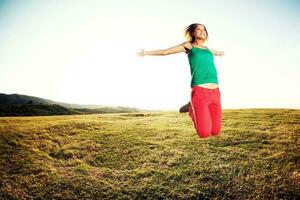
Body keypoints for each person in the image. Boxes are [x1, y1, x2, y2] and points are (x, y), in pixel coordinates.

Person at [136, 23, 225, 139]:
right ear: (193, 33)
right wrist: (146, 53)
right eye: (199, 29)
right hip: (200, 92)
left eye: (204, 29)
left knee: (215, 131)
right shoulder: (189, 46)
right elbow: (165, 52)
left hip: (215, 93)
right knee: (204, 133)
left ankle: (191, 105)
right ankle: (191, 108)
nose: (202, 31)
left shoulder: (208, 49)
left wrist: (220, 53)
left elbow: (217, 53)